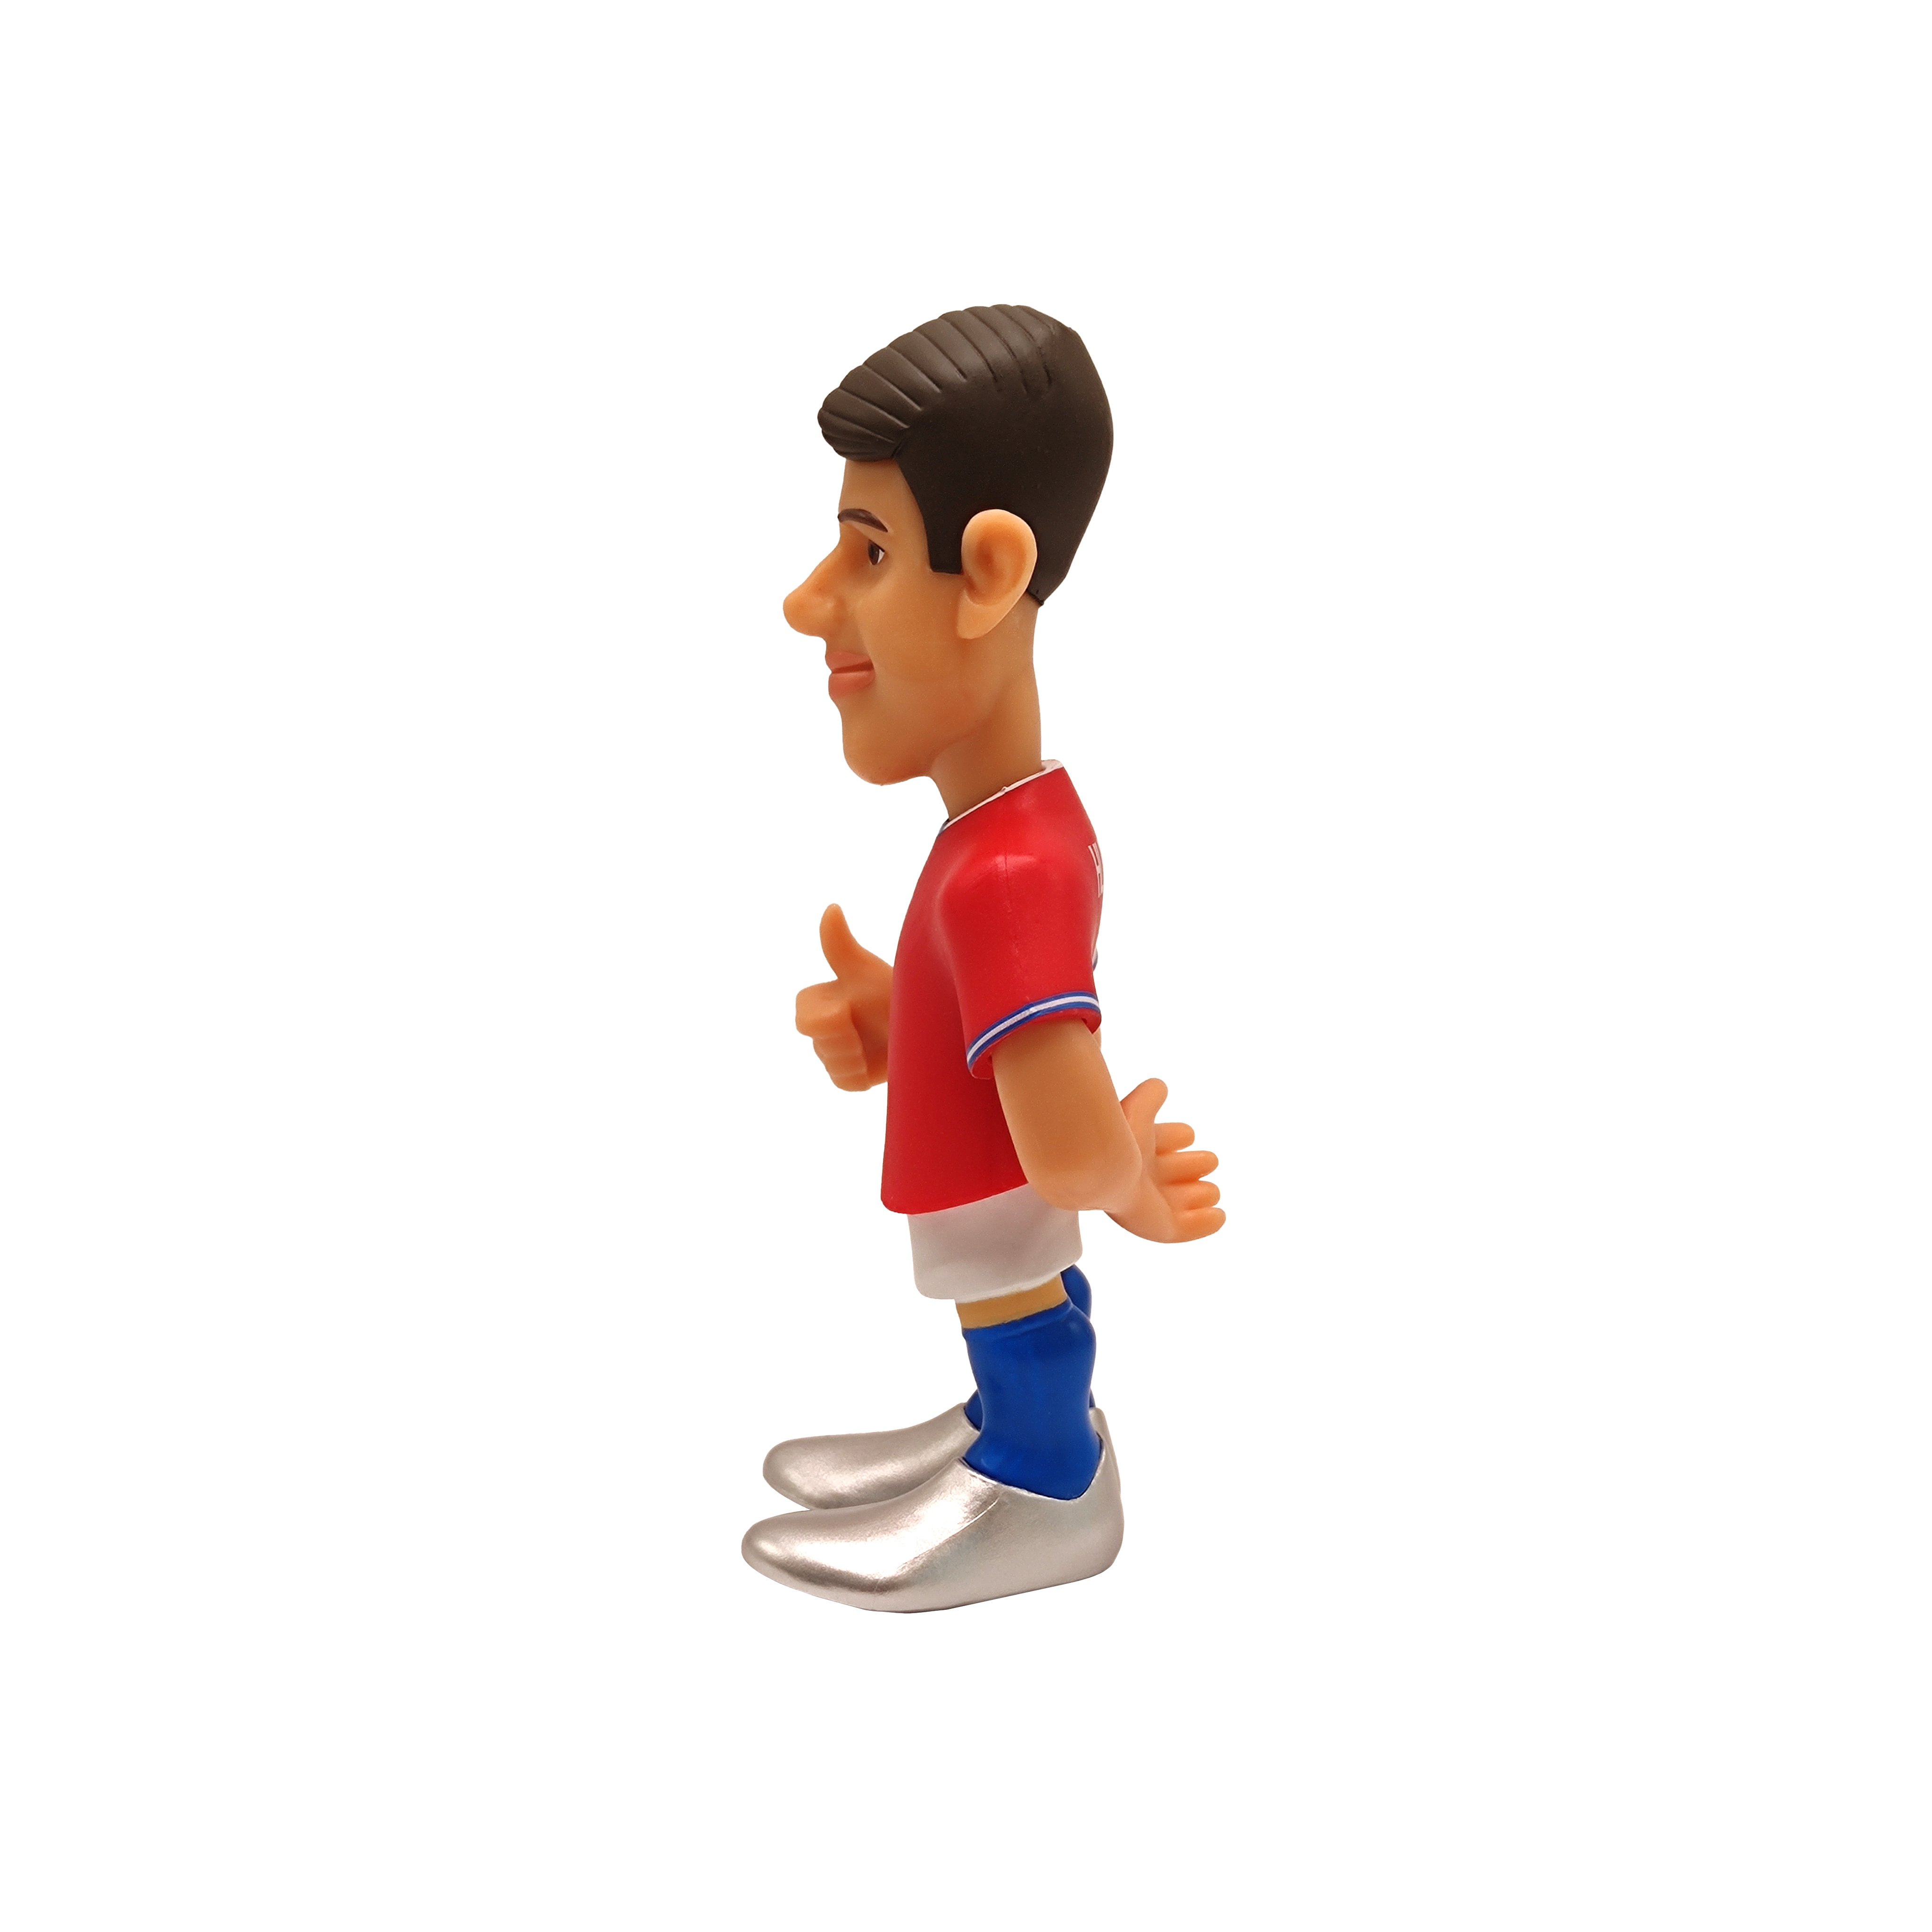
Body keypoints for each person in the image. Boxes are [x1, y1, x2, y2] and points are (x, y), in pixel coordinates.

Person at [741, 306, 1224, 1611]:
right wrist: (903, 1019)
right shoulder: (1005, 831)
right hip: (991, 1177)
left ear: (991, 575)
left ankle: (1044, 1475)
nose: (808, 603)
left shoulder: (1009, 867)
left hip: (1001, 1191)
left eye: (870, 551)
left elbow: (1064, 1147)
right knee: (1009, 1296)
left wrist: (1126, 1180)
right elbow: (997, 1010)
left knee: (1014, 1297)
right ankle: (998, 1429)